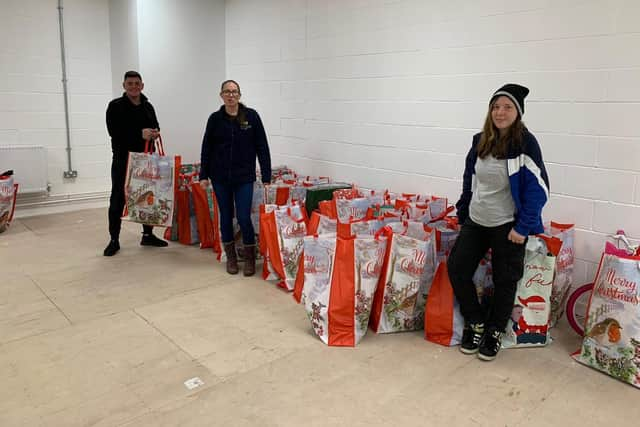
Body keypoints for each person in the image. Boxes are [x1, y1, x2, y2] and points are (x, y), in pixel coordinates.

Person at [447, 84, 549, 361]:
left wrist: (523, 227)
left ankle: (494, 330)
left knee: (506, 280)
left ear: (518, 112)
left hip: (508, 225)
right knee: (457, 268)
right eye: (495, 106)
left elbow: (539, 189)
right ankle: (476, 321)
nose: (500, 112)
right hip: (477, 221)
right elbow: (469, 179)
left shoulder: (525, 144)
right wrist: (463, 212)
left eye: (507, 107)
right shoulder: (480, 140)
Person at [199, 80, 271, 276]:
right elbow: (207, 147)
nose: (231, 95)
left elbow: (262, 147)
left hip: (244, 177)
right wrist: (203, 174)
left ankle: (249, 258)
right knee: (225, 217)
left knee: (244, 217)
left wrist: (266, 175)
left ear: (239, 95)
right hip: (220, 177)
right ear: (221, 95)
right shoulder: (215, 119)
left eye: (234, 92)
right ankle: (231, 258)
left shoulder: (251, 117)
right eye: (227, 92)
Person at [104, 71, 168, 256]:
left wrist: (155, 132)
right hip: (124, 159)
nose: (133, 86)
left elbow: (156, 124)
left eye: (137, 83)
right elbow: (114, 131)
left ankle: (147, 235)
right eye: (130, 83)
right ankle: (114, 239)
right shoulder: (115, 106)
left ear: (142, 85)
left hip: (146, 159)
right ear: (124, 86)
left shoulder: (148, 106)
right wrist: (139, 134)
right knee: (118, 198)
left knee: (148, 197)